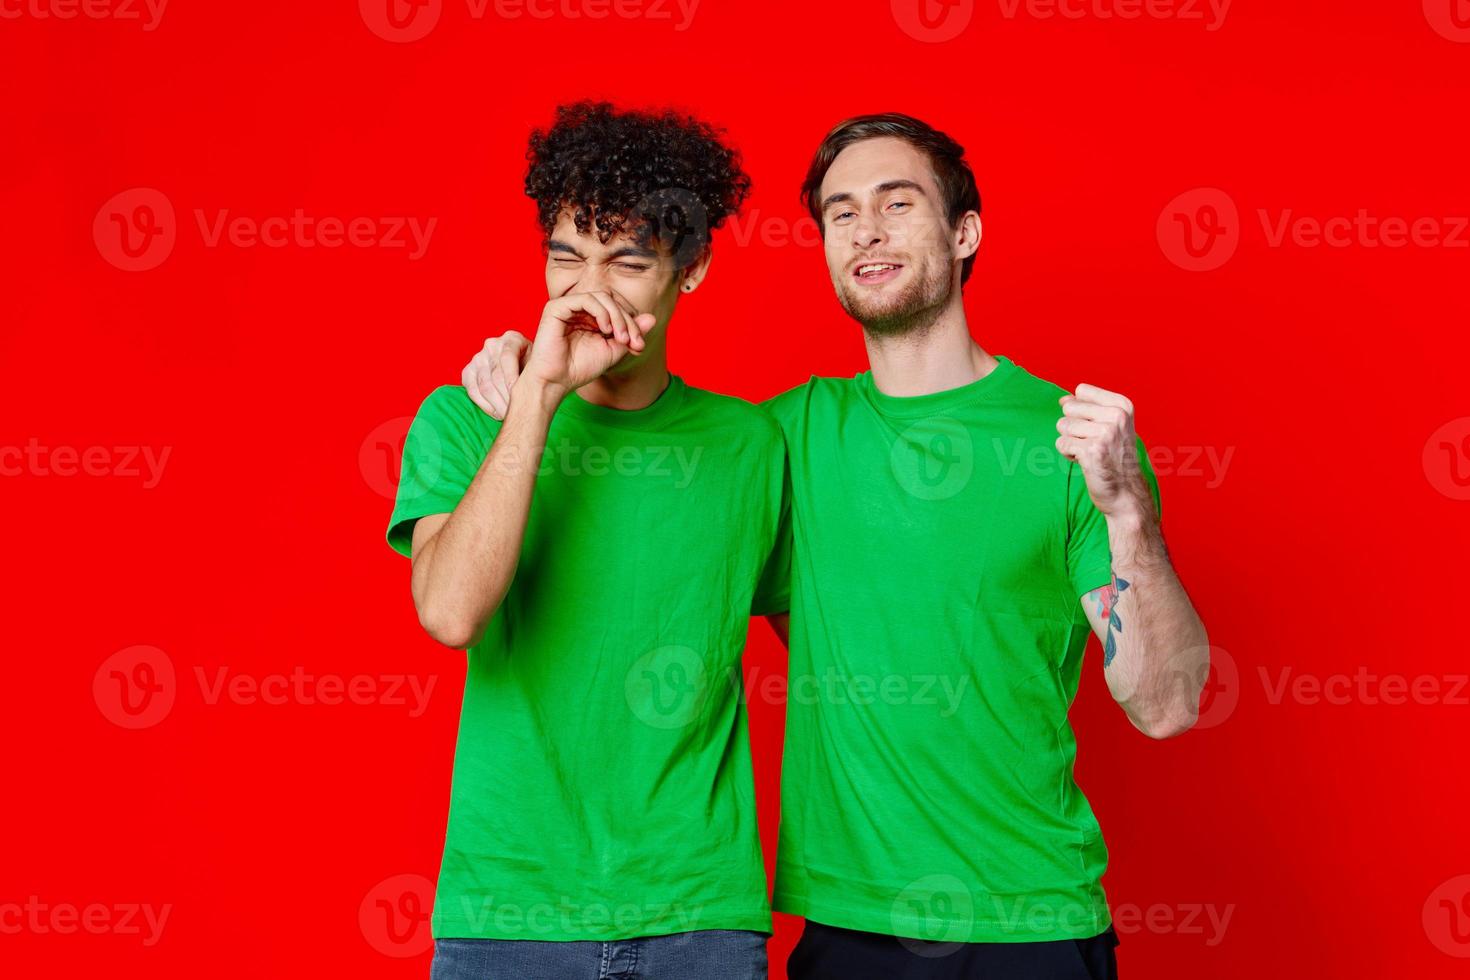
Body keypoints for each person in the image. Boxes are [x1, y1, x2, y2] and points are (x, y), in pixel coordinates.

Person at [463, 112, 1209, 979]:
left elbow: (1166, 705)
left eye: (898, 203)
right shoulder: (774, 443)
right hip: (847, 927)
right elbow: (630, 499)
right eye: (842, 212)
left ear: (964, 232)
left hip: (1034, 918)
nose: (868, 230)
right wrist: (532, 370)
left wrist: (1129, 518)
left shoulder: (1072, 442)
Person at [388, 101, 786, 980]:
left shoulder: (752, 447)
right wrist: (536, 394)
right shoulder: (469, 417)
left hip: (701, 915)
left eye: (627, 261)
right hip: (508, 913)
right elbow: (451, 613)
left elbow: (838, 646)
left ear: (693, 270)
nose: (587, 290)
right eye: (566, 257)